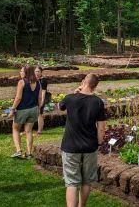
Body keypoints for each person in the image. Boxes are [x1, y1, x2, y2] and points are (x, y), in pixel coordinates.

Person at [59, 74, 106, 207]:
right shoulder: (98, 102)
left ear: (83, 82)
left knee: (72, 183)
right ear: (95, 87)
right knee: (86, 182)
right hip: (90, 146)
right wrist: (99, 142)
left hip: (70, 146)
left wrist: (75, 92)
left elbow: (60, 106)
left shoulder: (70, 99)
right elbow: (101, 127)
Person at [9, 65, 43, 158]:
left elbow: (18, 97)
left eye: (22, 71)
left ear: (27, 72)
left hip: (22, 109)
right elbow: (39, 98)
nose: (20, 73)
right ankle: (29, 153)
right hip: (34, 109)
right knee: (28, 131)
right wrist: (38, 109)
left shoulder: (22, 82)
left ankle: (18, 150)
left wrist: (12, 109)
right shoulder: (38, 83)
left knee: (15, 129)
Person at [34, 66, 50, 136]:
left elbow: (43, 92)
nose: (37, 73)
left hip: (41, 99)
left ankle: (39, 131)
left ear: (41, 73)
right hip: (36, 98)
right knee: (39, 115)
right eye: (36, 71)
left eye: (38, 72)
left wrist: (41, 103)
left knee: (39, 115)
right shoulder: (35, 80)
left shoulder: (43, 81)